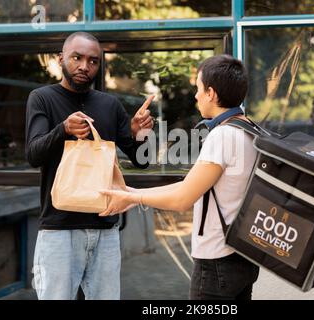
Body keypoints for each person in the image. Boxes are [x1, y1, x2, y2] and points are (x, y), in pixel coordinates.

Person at [99, 54, 260, 300]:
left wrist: (134, 198)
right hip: (243, 257)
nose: (195, 96)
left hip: (217, 262)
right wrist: (130, 195)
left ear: (211, 94)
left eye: (198, 89)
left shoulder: (223, 136)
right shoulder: (248, 129)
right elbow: (190, 186)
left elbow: (182, 199)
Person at [25, 32, 154, 300]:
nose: (85, 66)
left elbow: (142, 162)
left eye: (93, 61)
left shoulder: (110, 104)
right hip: (59, 229)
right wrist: (63, 129)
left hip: (106, 230)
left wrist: (140, 133)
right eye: (77, 58)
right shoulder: (42, 98)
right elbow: (33, 154)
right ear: (61, 59)